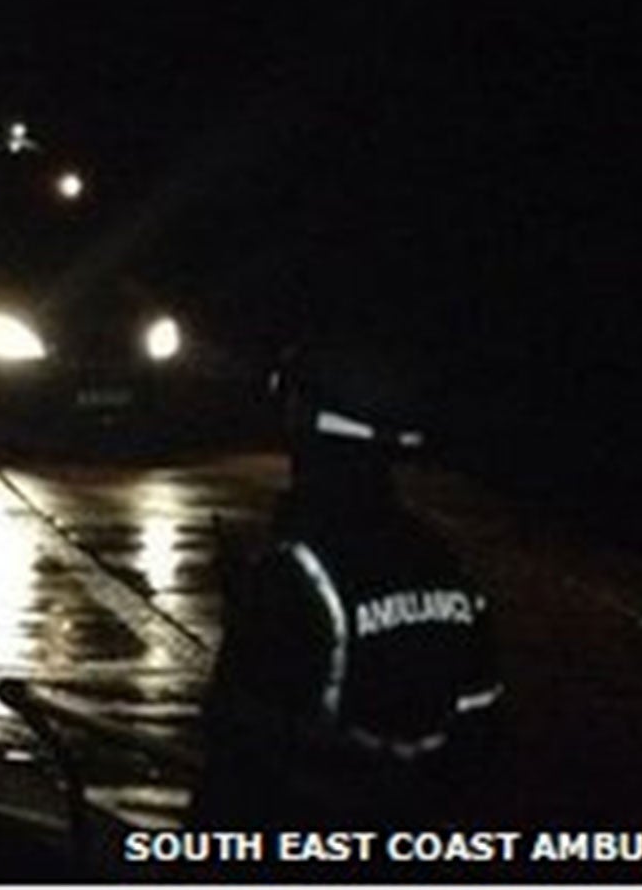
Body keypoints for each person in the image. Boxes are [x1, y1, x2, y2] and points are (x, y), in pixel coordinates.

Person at [191, 341, 503, 829]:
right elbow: (480, 722)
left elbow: (242, 745)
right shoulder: (437, 557)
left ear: (308, 429)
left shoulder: (295, 571)